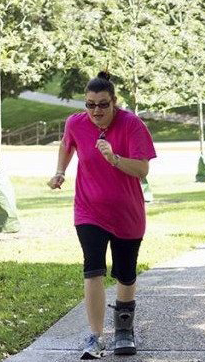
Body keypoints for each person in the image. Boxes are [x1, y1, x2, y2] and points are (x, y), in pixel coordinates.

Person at [47, 71, 156, 359]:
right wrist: (60, 171)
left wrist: (114, 158)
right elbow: (66, 144)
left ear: (114, 102)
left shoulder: (132, 124)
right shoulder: (76, 122)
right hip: (88, 209)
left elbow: (142, 170)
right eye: (90, 104)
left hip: (127, 213)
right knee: (93, 269)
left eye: (103, 105)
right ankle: (94, 337)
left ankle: (123, 331)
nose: (96, 111)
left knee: (126, 274)